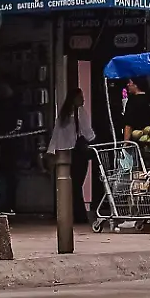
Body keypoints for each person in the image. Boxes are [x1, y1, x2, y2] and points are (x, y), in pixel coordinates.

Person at [48, 88, 95, 223]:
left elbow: (56, 135)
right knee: (77, 185)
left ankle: (63, 213)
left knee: (66, 185)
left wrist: (51, 152)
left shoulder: (63, 114)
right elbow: (88, 133)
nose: (83, 99)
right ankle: (79, 215)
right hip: (77, 152)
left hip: (63, 153)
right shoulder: (79, 112)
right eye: (81, 97)